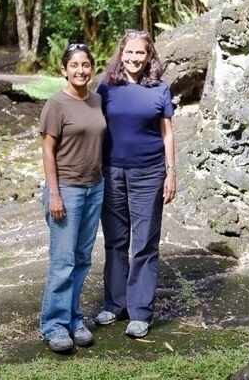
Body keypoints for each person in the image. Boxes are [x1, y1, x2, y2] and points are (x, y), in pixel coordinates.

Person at [94, 29, 176, 338]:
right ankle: (115, 305)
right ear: (121, 54)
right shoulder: (106, 89)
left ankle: (140, 312)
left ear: (149, 55)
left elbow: (167, 133)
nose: (134, 58)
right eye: (129, 52)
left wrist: (171, 172)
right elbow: (93, 129)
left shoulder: (159, 89)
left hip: (149, 174)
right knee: (115, 242)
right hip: (111, 173)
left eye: (140, 52)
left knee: (144, 244)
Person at [38, 42, 106, 353]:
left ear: (92, 68)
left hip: (95, 187)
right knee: (63, 262)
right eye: (74, 66)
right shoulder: (55, 104)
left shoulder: (97, 100)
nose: (80, 71)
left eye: (86, 65)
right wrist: (54, 195)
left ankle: (73, 318)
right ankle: (53, 325)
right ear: (64, 70)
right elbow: (48, 151)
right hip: (66, 190)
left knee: (81, 260)